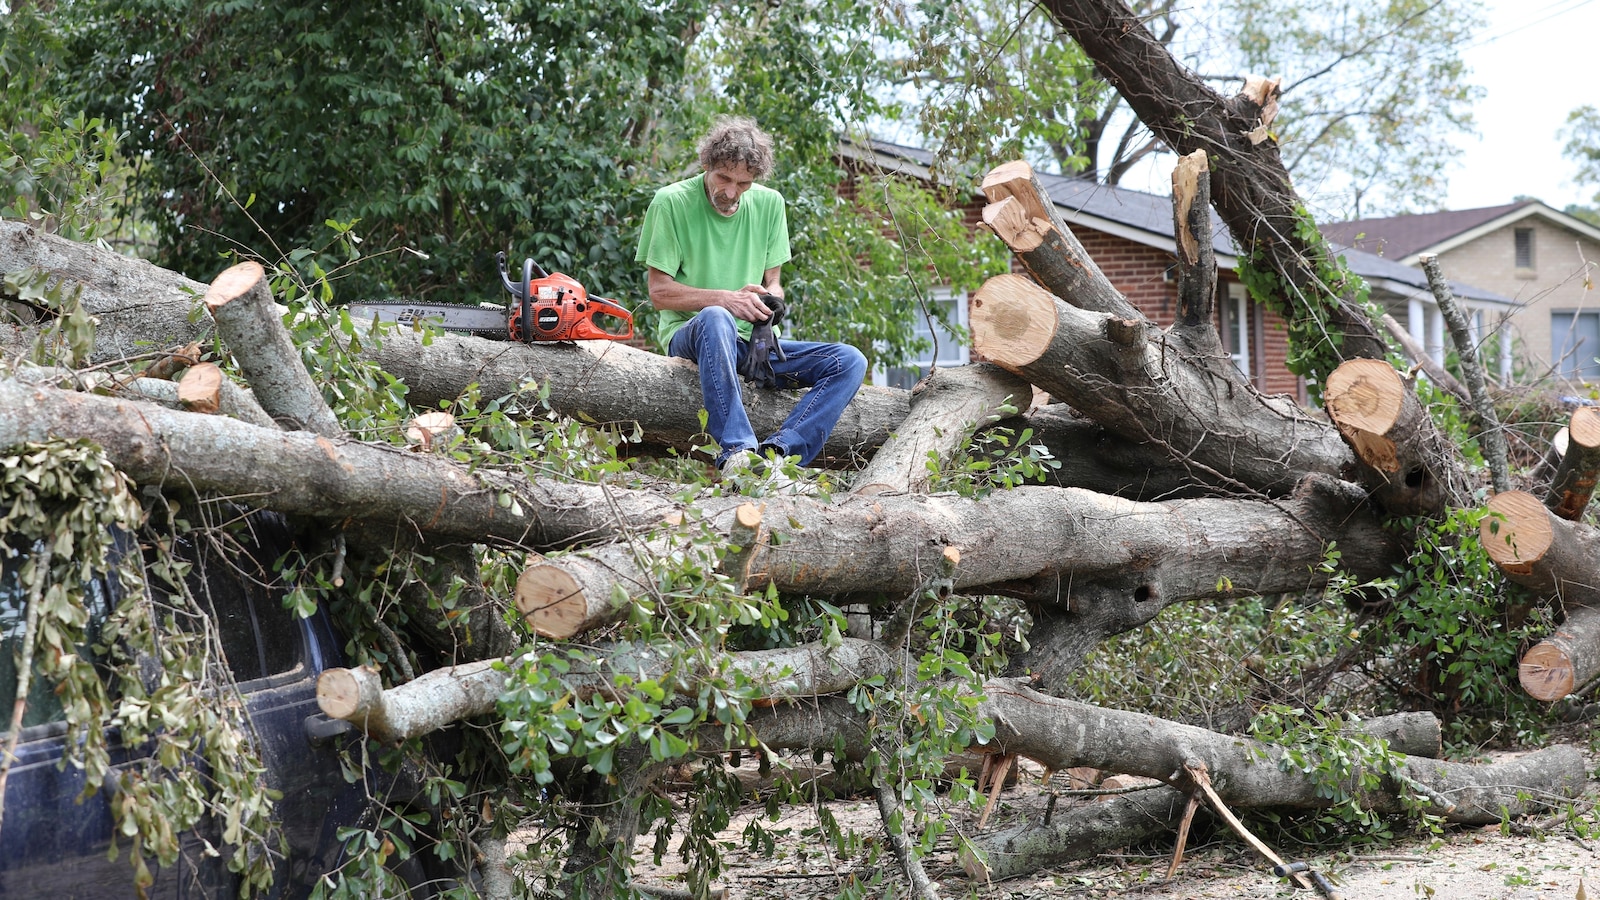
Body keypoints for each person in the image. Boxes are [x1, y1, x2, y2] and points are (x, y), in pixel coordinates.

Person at [635, 116, 867, 480]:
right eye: (723, 179)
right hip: (693, 337)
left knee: (849, 361)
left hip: (749, 347)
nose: (731, 192)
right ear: (707, 165)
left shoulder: (771, 204)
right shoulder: (671, 203)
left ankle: (778, 456)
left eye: (743, 183)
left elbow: (774, 282)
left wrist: (770, 300)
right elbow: (659, 293)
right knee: (716, 316)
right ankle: (737, 453)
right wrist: (725, 300)